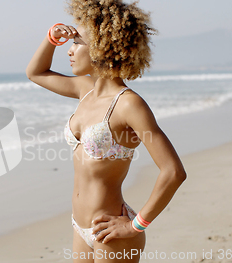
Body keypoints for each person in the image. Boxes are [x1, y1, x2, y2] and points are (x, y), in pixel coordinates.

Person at [26, 0, 186, 262]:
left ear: (102, 47)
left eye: (77, 42)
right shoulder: (83, 90)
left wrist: (136, 226)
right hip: (80, 226)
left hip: (114, 231)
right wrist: (51, 37)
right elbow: (36, 73)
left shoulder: (128, 104)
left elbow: (173, 171)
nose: (70, 49)